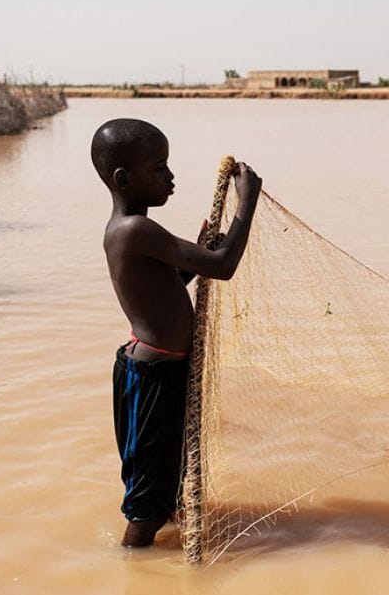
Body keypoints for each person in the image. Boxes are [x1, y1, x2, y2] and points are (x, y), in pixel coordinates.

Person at [90, 118, 262, 547]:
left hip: (161, 370)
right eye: (160, 167)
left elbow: (169, 283)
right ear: (123, 179)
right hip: (151, 379)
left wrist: (195, 256)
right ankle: (132, 562)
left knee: (165, 481)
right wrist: (247, 204)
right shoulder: (134, 229)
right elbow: (223, 266)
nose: (171, 177)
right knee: (147, 503)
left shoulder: (136, 230)